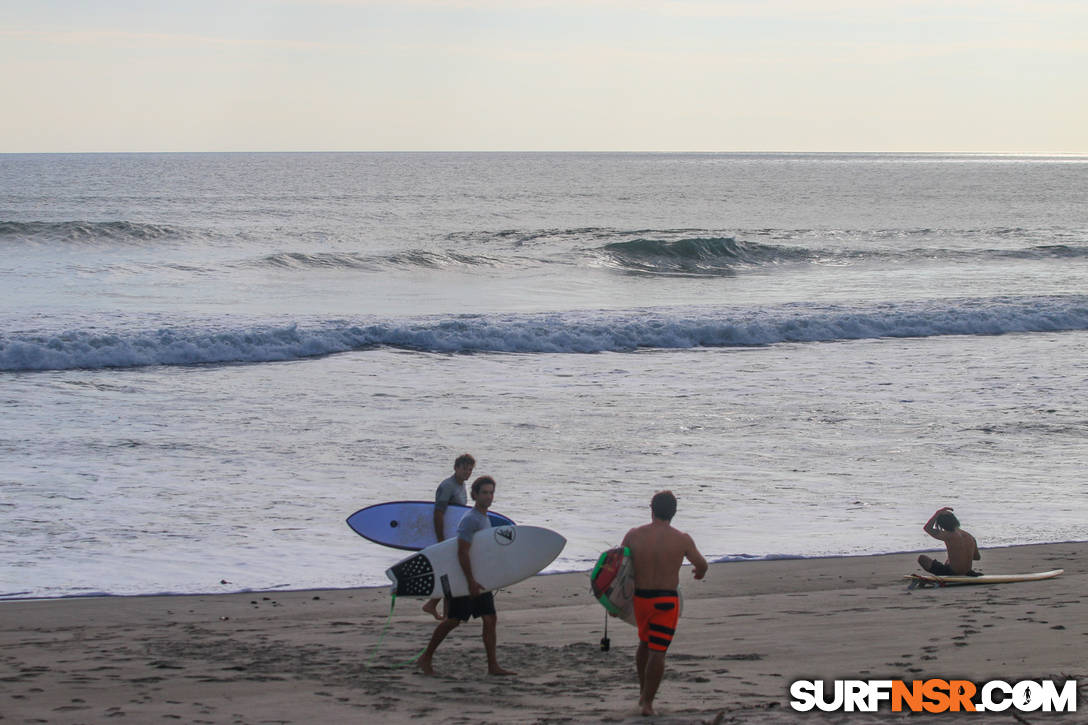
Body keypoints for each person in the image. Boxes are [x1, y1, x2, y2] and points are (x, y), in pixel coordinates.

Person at [620, 490, 708, 717]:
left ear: (651, 510)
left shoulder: (633, 535)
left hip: (641, 600)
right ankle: (648, 703)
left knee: (643, 643)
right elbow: (701, 564)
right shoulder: (682, 539)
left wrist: (615, 603)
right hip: (666, 602)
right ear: (674, 513)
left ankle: (642, 693)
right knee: (658, 651)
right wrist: (698, 573)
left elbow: (619, 567)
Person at [417, 475, 515, 677]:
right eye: (484, 493)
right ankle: (425, 658)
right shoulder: (470, 520)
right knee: (452, 621)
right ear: (475, 495)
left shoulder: (484, 518)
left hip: (480, 580)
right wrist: (469, 580)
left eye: (491, 492)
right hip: (465, 579)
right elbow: (461, 552)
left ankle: (493, 666)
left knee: (490, 619)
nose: (489, 496)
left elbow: (482, 552)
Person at [422, 453, 475, 620]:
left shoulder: (461, 485)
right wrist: (441, 539)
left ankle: (434, 605)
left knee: (452, 571)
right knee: (451, 571)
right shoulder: (447, 486)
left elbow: (458, 515)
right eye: (464, 468)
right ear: (456, 468)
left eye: (470, 470)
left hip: (456, 536)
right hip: (446, 537)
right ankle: (441, 610)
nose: (467, 472)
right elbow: (438, 513)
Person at [917, 506, 981, 576]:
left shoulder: (948, 534)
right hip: (968, 572)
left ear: (942, 524)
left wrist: (937, 513)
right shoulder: (970, 537)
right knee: (949, 559)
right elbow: (977, 557)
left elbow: (927, 528)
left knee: (922, 558)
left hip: (953, 573)